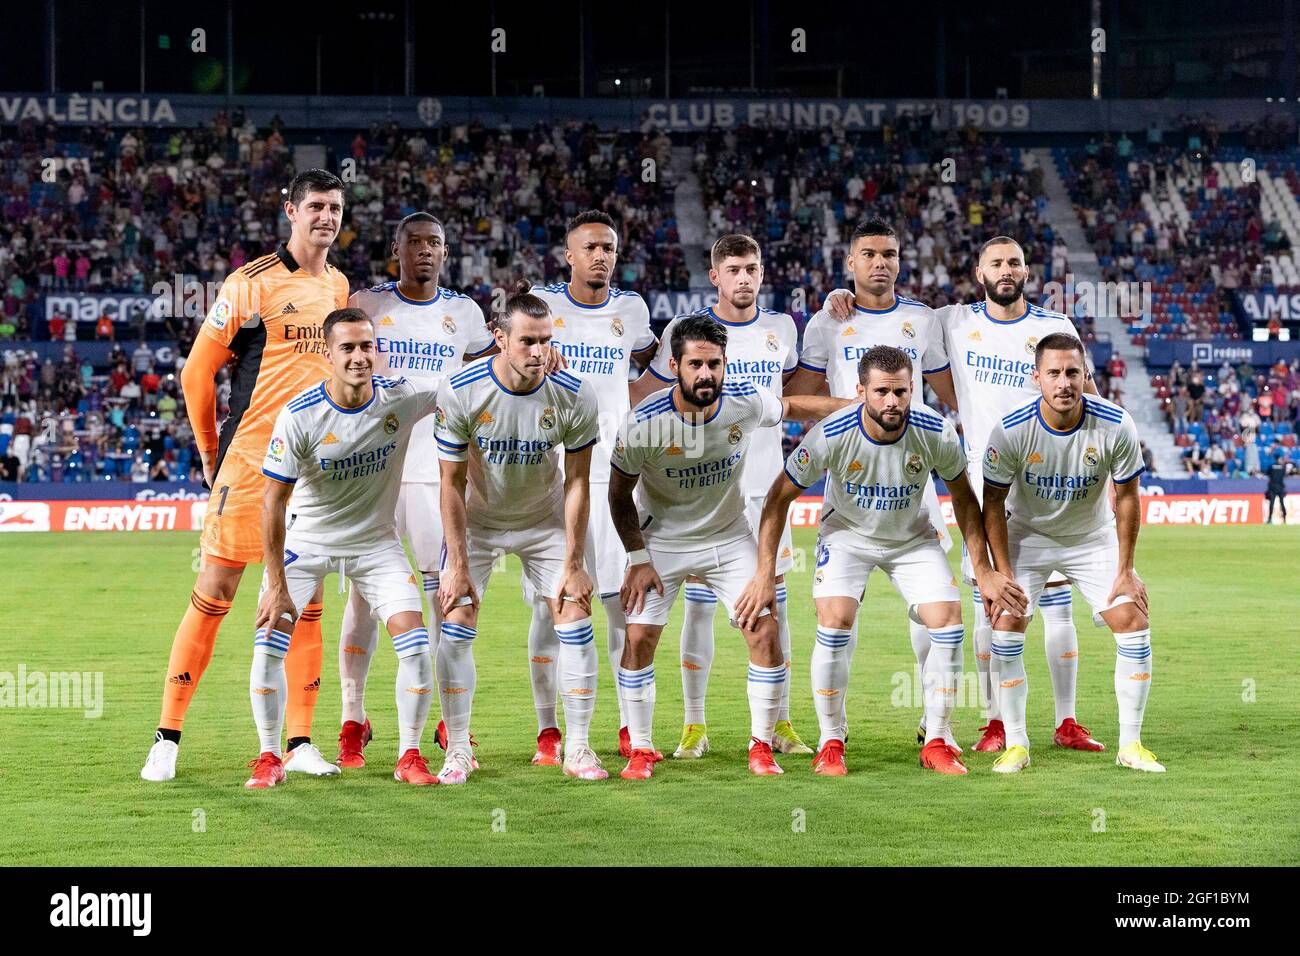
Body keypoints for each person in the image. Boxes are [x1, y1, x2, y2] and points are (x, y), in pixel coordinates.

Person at [140, 170, 350, 783]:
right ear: (290, 211)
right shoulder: (250, 283)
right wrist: (210, 451)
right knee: (216, 595)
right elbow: (195, 373)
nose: (325, 217)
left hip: (317, 472)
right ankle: (167, 737)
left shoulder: (340, 285)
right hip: (252, 462)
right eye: (314, 206)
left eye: (335, 208)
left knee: (303, 603)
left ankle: (300, 741)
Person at [738, 346, 1023, 775]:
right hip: (847, 537)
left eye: (902, 392)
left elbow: (964, 499)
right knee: (834, 621)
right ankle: (831, 740)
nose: (893, 401)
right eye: (882, 392)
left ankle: (938, 739)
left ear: (914, 389)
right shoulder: (831, 433)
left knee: (948, 622)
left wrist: (983, 570)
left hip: (911, 538)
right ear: (861, 391)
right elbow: (778, 500)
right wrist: (764, 573)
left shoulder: (936, 431)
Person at [608, 314, 850, 779]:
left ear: (725, 364)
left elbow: (791, 407)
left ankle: (761, 745)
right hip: (663, 541)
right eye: (696, 364)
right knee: (638, 639)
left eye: (714, 364)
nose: (706, 374)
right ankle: (640, 748)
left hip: (728, 537)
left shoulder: (744, 402)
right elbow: (618, 493)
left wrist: (851, 405)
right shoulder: (643, 422)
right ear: (675, 364)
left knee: (764, 631)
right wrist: (637, 557)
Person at [627, 233, 809, 760]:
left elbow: (789, 398)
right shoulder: (685, 335)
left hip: (764, 490)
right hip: (698, 492)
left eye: (752, 267)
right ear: (716, 276)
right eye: (733, 269)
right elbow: (646, 394)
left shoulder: (781, 328)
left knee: (772, 608)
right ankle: (692, 723)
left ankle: (779, 723)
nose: (744, 277)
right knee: (699, 612)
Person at [247, 308, 440, 788]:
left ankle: (409, 755)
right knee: (269, 644)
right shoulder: (300, 414)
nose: (359, 357)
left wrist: (527, 357)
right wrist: (275, 585)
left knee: (415, 647)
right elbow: (272, 503)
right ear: (328, 353)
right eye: (348, 348)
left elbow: (468, 388)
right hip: (307, 544)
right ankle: (270, 756)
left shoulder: (403, 396)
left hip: (375, 544)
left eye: (366, 346)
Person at [788, 217, 961, 748]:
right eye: (868, 254)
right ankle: (832, 736)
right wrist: (853, 407)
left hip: (914, 479)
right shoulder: (826, 322)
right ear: (850, 262)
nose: (879, 262)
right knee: (839, 612)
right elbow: (796, 398)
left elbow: (953, 393)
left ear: (900, 260)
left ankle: (938, 729)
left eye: (889, 253)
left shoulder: (923, 320)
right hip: (852, 478)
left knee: (932, 610)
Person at [333, 212, 496, 771]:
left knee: (442, 596)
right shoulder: (368, 304)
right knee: (363, 598)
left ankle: (451, 725)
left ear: (445, 251)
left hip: (435, 471)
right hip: (373, 471)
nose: (426, 250)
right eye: (415, 242)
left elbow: (481, 392)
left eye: (436, 242)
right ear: (395, 248)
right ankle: (353, 718)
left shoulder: (465, 314)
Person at [435, 292, 607, 783]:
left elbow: (578, 482)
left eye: (545, 340)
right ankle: (459, 749)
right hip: (480, 523)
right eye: (527, 341)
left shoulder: (574, 392)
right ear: (500, 339)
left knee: (574, 615)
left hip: (544, 519)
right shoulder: (462, 389)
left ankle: (577, 748)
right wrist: (457, 563)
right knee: (457, 618)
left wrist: (574, 561)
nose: (537, 352)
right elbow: (450, 482)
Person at [980, 333, 1163, 773]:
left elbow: (1127, 498)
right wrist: (1002, 574)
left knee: (1132, 619)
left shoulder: (1116, 423)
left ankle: (1131, 745)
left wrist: (1126, 569)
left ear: (1086, 375)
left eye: (1073, 373)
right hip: (1027, 535)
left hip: (1091, 537)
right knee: (1006, 625)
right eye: (1055, 373)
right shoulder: (1011, 429)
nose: (1064, 383)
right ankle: (1018, 744)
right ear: (1036, 378)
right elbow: (991, 504)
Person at [524, 210, 658, 765]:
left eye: (609, 246)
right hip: (553, 474)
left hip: (615, 475)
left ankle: (628, 727)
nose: (601, 255)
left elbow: (654, 365)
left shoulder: (632, 310)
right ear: (569, 255)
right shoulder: (541, 304)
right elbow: (507, 354)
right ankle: (549, 730)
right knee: (549, 607)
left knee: (617, 604)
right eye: (590, 247)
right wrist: (534, 357)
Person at [1265, 452, 1291, 523]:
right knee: (1282, 503)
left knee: (1272, 503)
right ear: (1279, 459)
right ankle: (1285, 519)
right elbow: (1284, 475)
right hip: (1280, 487)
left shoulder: (1271, 466)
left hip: (1272, 487)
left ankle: (1269, 519)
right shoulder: (1283, 467)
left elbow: (1268, 474)